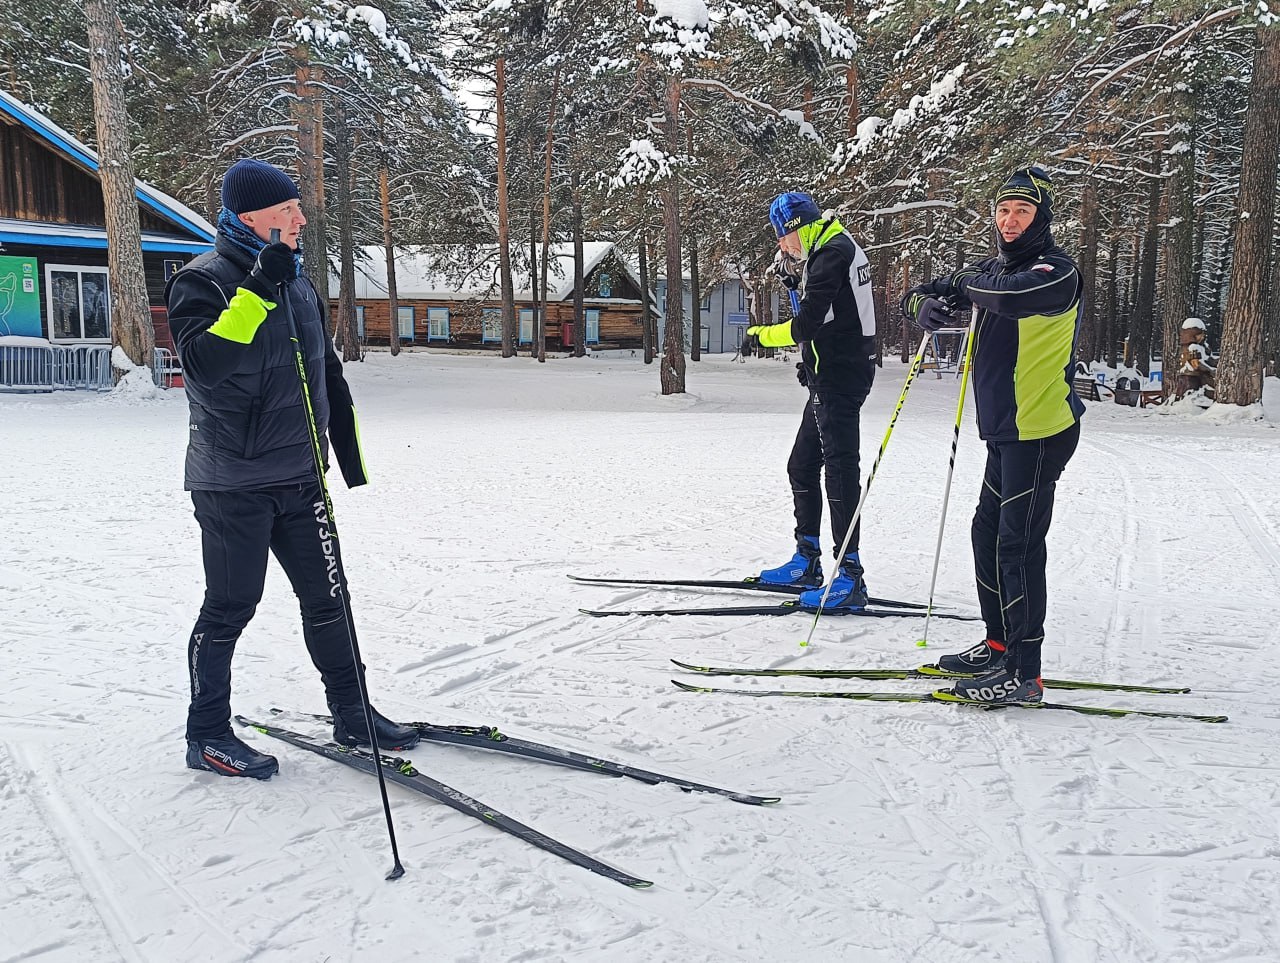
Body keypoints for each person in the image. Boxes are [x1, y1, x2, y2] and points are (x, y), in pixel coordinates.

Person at [167, 157, 418, 779]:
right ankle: (208, 735)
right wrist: (255, 290)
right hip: (233, 484)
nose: (301, 218)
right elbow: (202, 366)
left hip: (300, 477)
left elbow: (325, 371)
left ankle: (353, 712)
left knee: (329, 600)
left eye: (298, 208)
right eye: (288, 210)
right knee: (230, 607)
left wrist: (348, 456)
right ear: (251, 217)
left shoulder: (299, 281)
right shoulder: (204, 279)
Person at [901, 166, 1083, 704]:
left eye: (1022, 211)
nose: (1009, 221)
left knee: (1019, 546)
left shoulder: (1057, 272)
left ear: (1040, 218)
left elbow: (1005, 296)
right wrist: (923, 307)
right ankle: (999, 644)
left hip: (1041, 429)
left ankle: (1024, 674)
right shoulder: (991, 268)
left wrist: (962, 287)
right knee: (987, 536)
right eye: (1003, 210)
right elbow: (928, 292)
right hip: (1006, 430)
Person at [746, 192, 878, 609]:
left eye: (783, 237)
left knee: (839, 473)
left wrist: (762, 335)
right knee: (801, 466)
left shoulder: (832, 254)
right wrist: (796, 284)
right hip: (832, 373)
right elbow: (833, 315)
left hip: (841, 378)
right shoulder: (830, 247)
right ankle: (808, 559)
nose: (782, 246)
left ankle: (850, 574)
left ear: (798, 227)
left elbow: (806, 324)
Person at [1176, 317, 1215, 397]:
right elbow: (1196, 364)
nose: (1202, 337)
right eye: (1199, 335)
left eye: (1203, 335)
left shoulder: (1203, 347)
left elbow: (1208, 359)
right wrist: (1210, 370)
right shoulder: (1191, 348)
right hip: (1192, 377)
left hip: (1202, 375)